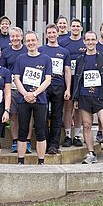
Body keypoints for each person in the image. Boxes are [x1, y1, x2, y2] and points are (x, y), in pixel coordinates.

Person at [73, 31, 103, 164]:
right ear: (84, 42)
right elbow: (76, 80)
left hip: (100, 96)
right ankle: (90, 153)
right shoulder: (80, 59)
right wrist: (76, 98)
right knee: (87, 125)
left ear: (96, 41)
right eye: (88, 40)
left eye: (93, 40)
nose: (90, 42)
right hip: (85, 96)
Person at [14, 31, 52, 165]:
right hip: (23, 100)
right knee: (22, 130)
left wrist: (34, 94)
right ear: (25, 43)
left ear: (37, 41)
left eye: (33, 40)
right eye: (28, 41)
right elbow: (16, 78)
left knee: (41, 130)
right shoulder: (20, 59)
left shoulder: (46, 59)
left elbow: (48, 80)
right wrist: (25, 94)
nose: (30, 43)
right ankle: (20, 161)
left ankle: (41, 161)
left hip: (40, 100)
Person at [39, 23, 72, 154]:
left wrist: (68, 88)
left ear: (58, 34)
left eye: (54, 32)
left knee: (57, 116)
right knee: (43, 115)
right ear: (46, 35)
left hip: (59, 86)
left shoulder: (64, 52)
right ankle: (45, 144)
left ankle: (54, 145)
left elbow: (67, 71)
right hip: (43, 87)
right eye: (49, 33)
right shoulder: (41, 50)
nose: (52, 35)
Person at [0, 27, 33, 153]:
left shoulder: (27, 49)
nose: (15, 38)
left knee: (28, 116)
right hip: (12, 88)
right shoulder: (5, 52)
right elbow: (3, 70)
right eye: (12, 36)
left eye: (17, 36)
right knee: (13, 115)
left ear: (21, 37)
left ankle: (28, 141)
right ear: (9, 38)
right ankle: (15, 141)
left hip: (27, 88)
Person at [59, 18, 86, 147]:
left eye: (78, 26)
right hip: (67, 79)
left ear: (81, 28)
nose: (75, 28)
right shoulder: (63, 43)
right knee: (68, 107)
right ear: (70, 28)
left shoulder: (85, 42)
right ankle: (68, 135)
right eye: (73, 26)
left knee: (79, 108)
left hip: (81, 81)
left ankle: (77, 135)